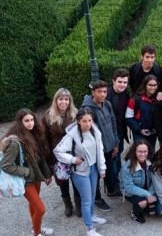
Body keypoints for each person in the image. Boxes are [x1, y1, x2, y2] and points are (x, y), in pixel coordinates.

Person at [54, 108, 107, 236]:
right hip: (80, 172)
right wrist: (73, 159)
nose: (88, 124)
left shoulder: (95, 130)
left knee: (93, 195)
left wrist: (102, 168)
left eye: (90, 120)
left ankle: (92, 215)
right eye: (84, 121)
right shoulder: (72, 135)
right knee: (86, 200)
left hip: (93, 168)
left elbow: (100, 150)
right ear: (78, 121)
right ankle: (89, 229)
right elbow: (57, 151)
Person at [1, 109, 53, 236]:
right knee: (41, 209)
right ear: (20, 122)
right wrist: (27, 171)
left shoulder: (35, 134)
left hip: (35, 177)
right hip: (25, 179)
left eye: (32, 120)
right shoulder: (15, 142)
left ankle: (35, 227)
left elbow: (40, 157)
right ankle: (37, 232)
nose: (30, 123)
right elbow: (6, 166)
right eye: (26, 121)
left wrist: (46, 174)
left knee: (34, 205)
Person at [82, 80, 120, 211]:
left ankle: (110, 190)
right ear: (93, 92)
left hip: (109, 146)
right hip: (97, 150)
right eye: (99, 92)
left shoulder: (107, 104)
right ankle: (97, 198)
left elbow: (113, 123)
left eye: (105, 91)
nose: (102, 94)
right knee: (96, 175)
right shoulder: (87, 109)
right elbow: (87, 134)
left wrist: (116, 142)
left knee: (109, 169)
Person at [43, 88, 80, 217]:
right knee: (62, 180)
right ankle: (68, 204)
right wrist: (48, 159)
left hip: (73, 153)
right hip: (57, 155)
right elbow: (44, 139)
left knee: (76, 180)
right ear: (56, 100)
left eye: (66, 99)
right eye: (61, 99)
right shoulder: (48, 116)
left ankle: (78, 204)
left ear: (70, 101)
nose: (63, 102)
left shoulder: (76, 114)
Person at [121, 139, 157, 224]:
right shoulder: (127, 167)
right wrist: (147, 195)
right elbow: (129, 187)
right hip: (132, 192)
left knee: (152, 212)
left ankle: (143, 204)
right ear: (134, 151)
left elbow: (154, 181)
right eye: (140, 151)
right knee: (142, 202)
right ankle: (135, 212)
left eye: (145, 151)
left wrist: (150, 193)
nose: (143, 154)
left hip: (148, 190)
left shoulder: (151, 162)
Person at [106, 69, 130, 194]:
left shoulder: (125, 92)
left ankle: (117, 180)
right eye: (120, 82)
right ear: (113, 81)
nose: (122, 85)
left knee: (117, 156)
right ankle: (114, 185)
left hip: (120, 131)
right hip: (110, 134)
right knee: (113, 159)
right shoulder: (107, 95)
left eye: (125, 82)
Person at [126, 75, 158, 150]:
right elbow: (128, 117)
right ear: (145, 85)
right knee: (140, 154)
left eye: (155, 85)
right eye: (150, 85)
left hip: (152, 133)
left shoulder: (158, 98)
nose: (153, 87)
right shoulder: (134, 99)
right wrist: (139, 130)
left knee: (151, 154)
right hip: (139, 133)